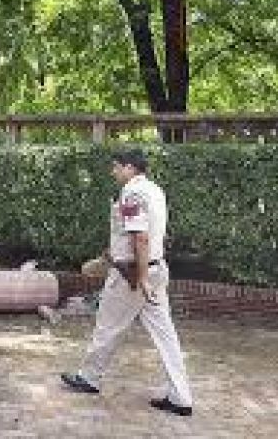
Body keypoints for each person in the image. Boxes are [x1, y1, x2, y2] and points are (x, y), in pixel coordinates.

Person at [61, 148, 194, 417]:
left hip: (131, 277)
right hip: (154, 270)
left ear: (130, 167)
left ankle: (89, 378)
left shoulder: (132, 193)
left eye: (116, 166)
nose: (113, 172)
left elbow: (140, 237)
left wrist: (140, 277)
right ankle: (181, 396)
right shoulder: (156, 191)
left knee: (107, 327)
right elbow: (140, 236)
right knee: (166, 336)